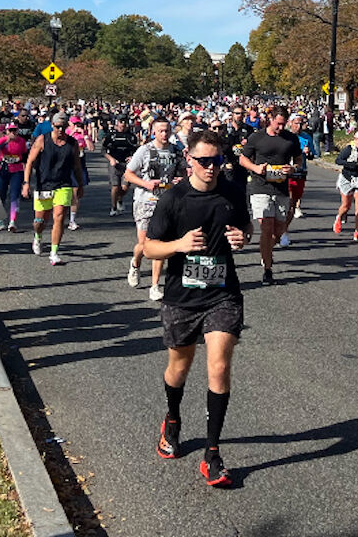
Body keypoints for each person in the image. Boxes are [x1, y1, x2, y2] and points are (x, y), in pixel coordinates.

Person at [143, 129, 251, 488]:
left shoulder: (233, 191)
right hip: (181, 298)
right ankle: (172, 419)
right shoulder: (173, 198)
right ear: (189, 160)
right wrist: (180, 244)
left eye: (217, 160)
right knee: (179, 365)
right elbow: (149, 249)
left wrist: (242, 238)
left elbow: (245, 229)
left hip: (222, 294)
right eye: (204, 161)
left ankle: (212, 454)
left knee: (218, 366)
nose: (211, 167)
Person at [238, 106, 303, 285]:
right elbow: (243, 159)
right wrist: (256, 168)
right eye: (278, 124)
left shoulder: (291, 139)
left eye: (283, 124)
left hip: (281, 188)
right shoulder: (257, 137)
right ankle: (267, 268)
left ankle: (266, 252)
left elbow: (298, 159)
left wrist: (293, 168)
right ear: (270, 119)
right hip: (260, 187)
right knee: (266, 227)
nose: (280, 128)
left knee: (279, 229)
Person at [125, 116, 184, 301]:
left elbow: (183, 172)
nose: (165, 134)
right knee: (144, 245)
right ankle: (135, 263)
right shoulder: (144, 150)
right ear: (153, 132)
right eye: (161, 131)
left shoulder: (176, 151)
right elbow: (128, 174)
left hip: (167, 202)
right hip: (145, 200)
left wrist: (181, 180)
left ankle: (155, 285)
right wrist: (145, 183)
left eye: (167, 130)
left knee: (159, 243)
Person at [24, 115, 86, 266]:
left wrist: (80, 184)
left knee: (59, 216)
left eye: (63, 127)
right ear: (52, 125)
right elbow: (30, 162)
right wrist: (26, 183)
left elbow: (77, 166)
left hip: (63, 184)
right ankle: (38, 237)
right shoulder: (42, 140)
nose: (60, 130)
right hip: (44, 184)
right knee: (40, 221)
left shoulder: (72, 144)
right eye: (57, 126)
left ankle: (54, 252)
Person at [333, 129, 358, 241]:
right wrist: (349, 164)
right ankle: (339, 217)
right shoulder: (349, 149)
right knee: (346, 206)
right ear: (355, 140)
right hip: (347, 178)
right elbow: (338, 160)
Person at [0, 123, 29, 231]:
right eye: (10, 131)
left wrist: (27, 174)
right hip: (3, 171)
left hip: (17, 171)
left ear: (17, 131)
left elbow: (25, 157)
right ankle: (0, 220)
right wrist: (5, 143)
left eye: (14, 131)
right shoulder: (3, 140)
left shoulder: (21, 141)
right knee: (1, 194)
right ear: (7, 132)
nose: (13, 133)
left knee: (14, 194)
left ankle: (12, 221)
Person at [103, 116, 139, 218]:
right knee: (115, 186)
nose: (123, 125)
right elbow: (103, 150)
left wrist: (133, 157)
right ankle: (113, 208)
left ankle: (119, 200)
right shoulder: (111, 135)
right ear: (117, 123)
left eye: (125, 122)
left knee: (124, 187)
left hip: (127, 165)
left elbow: (137, 150)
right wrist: (111, 159)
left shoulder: (131, 136)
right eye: (121, 122)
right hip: (115, 164)